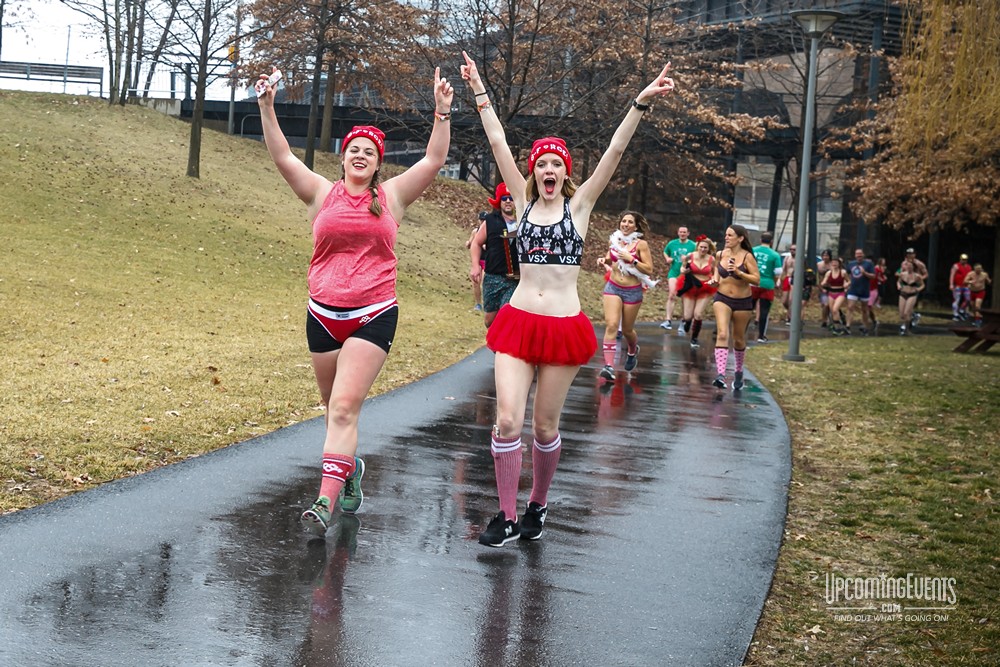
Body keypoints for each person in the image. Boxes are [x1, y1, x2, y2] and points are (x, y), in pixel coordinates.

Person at [460, 50, 675, 547]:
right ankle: (508, 515)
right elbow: (496, 139)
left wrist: (640, 103)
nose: (549, 169)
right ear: (533, 172)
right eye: (543, 163)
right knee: (507, 419)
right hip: (517, 321)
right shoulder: (523, 197)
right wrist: (477, 91)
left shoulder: (580, 207)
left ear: (565, 172)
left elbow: (615, 153)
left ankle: (538, 503)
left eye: (557, 163)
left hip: (562, 324)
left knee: (543, 425)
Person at [256, 67, 454, 535]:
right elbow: (283, 155)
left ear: (377, 161)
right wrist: (267, 105)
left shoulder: (392, 197)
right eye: (354, 151)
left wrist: (442, 113)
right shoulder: (320, 195)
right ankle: (349, 470)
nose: (361, 156)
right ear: (342, 158)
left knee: (344, 408)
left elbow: (432, 160)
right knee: (334, 410)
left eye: (369, 152)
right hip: (322, 314)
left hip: (374, 313)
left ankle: (323, 504)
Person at [597, 211, 656, 379]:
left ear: (636, 226)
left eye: (630, 222)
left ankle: (632, 350)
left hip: (632, 291)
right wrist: (603, 260)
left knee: (628, 330)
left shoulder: (641, 245)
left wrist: (632, 259)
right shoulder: (614, 240)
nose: (626, 224)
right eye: (624, 221)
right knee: (612, 325)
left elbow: (649, 269)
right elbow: (610, 259)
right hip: (613, 287)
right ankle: (608, 366)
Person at [707, 225, 760, 390]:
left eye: (730, 235)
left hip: (743, 302)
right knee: (722, 333)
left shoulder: (747, 257)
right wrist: (715, 280)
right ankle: (721, 375)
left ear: (740, 238)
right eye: (726, 235)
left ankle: (738, 371)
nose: (726, 238)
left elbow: (756, 279)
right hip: (722, 298)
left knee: (738, 339)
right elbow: (716, 270)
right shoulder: (720, 254)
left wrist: (739, 273)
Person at [469, 183, 520, 328]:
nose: (508, 201)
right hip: (493, 277)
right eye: (504, 198)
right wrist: (475, 266)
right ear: (499, 201)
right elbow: (476, 243)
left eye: (511, 198)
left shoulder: (524, 221)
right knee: (489, 320)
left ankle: (506, 349)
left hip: (515, 279)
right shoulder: (490, 221)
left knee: (507, 313)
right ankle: (496, 346)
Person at [677, 235, 717, 348]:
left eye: (705, 248)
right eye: (701, 247)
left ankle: (694, 338)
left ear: (708, 249)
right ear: (697, 247)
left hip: (705, 287)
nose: (703, 249)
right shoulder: (690, 256)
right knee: (688, 315)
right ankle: (687, 322)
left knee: (698, 314)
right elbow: (682, 268)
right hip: (690, 285)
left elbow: (714, 272)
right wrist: (684, 270)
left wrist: (715, 280)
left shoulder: (711, 259)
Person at [660, 226, 696, 331]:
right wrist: (668, 259)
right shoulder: (672, 243)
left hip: (686, 274)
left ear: (688, 233)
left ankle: (684, 320)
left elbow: (698, 256)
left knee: (685, 298)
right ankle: (668, 320)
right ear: (678, 233)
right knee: (672, 294)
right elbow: (665, 251)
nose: (682, 234)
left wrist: (690, 262)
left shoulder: (693, 245)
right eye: (681, 232)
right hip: (674, 272)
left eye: (684, 232)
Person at [751, 231, 783, 343]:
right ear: (772, 241)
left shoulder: (753, 250)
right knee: (764, 311)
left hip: (752, 283)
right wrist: (775, 283)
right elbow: (778, 273)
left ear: (761, 240)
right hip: (767, 285)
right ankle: (761, 336)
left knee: (747, 309)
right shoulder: (774, 255)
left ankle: (741, 332)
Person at [845, 248, 875, 335]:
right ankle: (848, 326)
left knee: (864, 309)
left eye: (860, 254)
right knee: (850, 307)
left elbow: (873, 276)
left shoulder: (869, 264)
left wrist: (864, 273)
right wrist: (847, 283)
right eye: (857, 254)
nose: (859, 256)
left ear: (863, 255)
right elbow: (846, 274)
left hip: (864, 289)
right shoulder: (851, 264)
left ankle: (865, 326)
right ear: (855, 255)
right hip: (853, 289)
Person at [896, 259, 925, 335]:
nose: (908, 267)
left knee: (906, 313)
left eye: (910, 266)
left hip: (912, 295)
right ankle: (911, 320)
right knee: (902, 315)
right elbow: (898, 282)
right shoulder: (902, 274)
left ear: (913, 267)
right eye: (907, 265)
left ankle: (907, 330)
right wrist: (899, 286)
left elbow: (923, 285)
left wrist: (918, 289)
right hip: (903, 294)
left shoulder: (917, 276)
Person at [821, 257, 849, 335]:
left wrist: (847, 284)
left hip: (840, 292)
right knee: (833, 312)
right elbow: (823, 282)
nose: (834, 264)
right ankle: (838, 327)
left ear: (839, 264)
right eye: (833, 262)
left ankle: (838, 327)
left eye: (836, 262)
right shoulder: (829, 273)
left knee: (835, 309)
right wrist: (823, 284)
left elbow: (849, 281)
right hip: (831, 293)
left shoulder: (843, 272)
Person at [902, 247, 928, 328]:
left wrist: (919, 279)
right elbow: (902, 272)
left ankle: (907, 324)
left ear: (915, 254)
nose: (910, 255)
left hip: (915, 285)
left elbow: (926, 274)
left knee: (910, 304)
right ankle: (914, 316)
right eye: (908, 254)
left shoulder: (919, 264)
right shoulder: (904, 263)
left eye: (911, 254)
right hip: (906, 285)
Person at [465, 214, 486, 312]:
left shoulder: (489, 230)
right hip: (478, 260)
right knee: (476, 282)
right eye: (481, 220)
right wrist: (468, 243)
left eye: (484, 220)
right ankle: (478, 304)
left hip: (488, 260)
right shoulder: (475, 231)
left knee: (486, 282)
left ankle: (488, 304)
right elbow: (470, 243)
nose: (482, 222)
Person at [950, 253, 973, 321]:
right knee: (956, 300)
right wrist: (951, 284)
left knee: (968, 299)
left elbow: (970, 276)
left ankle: (961, 310)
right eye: (963, 259)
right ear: (960, 259)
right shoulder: (956, 266)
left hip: (966, 286)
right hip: (957, 286)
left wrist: (970, 283)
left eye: (965, 260)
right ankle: (955, 314)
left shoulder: (969, 267)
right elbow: (952, 275)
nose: (964, 261)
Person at [816, 249, 832, 327]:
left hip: (832, 288)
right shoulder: (819, 264)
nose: (825, 257)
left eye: (827, 255)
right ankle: (824, 320)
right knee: (825, 304)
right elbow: (817, 278)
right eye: (824, 255)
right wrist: (820, 287)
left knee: (830, 305)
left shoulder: (833, 265)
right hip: (822, 287)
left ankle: (830, 318)